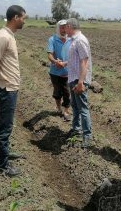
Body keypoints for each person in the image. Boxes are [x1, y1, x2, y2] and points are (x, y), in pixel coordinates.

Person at [0, 5, 26, 177]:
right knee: (4, 127)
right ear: (16, 17)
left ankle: (6, 153)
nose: (24, 21)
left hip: (10, 87)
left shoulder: (9, 36)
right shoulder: (2, 37)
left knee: (7, 125)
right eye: (23, 17)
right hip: (6, 88)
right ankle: (3, 165)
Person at [65, 18, 92, 148]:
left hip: (78, 80)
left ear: (70, 26)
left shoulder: (80, 40)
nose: (64, 30)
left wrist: (81, 82)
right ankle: (76, 129)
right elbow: (75, 60)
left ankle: (87, 136)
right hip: (73, 78)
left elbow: (84, 62)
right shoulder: (73, 41)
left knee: (83, 108)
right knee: (75, 106)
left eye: (65, 27)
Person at [47, 20, 71, 121]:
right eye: (62, 27)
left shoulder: (71, 40)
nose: (64, 29)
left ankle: (66, 110)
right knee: (57, 92)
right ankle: (58, 107)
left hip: (68, 72)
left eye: (66, 27)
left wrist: (66, 63)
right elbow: (50, 54)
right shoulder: (52, 39)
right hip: (55, 72)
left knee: (67, 92)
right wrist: (55, 61)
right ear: (58, 28)